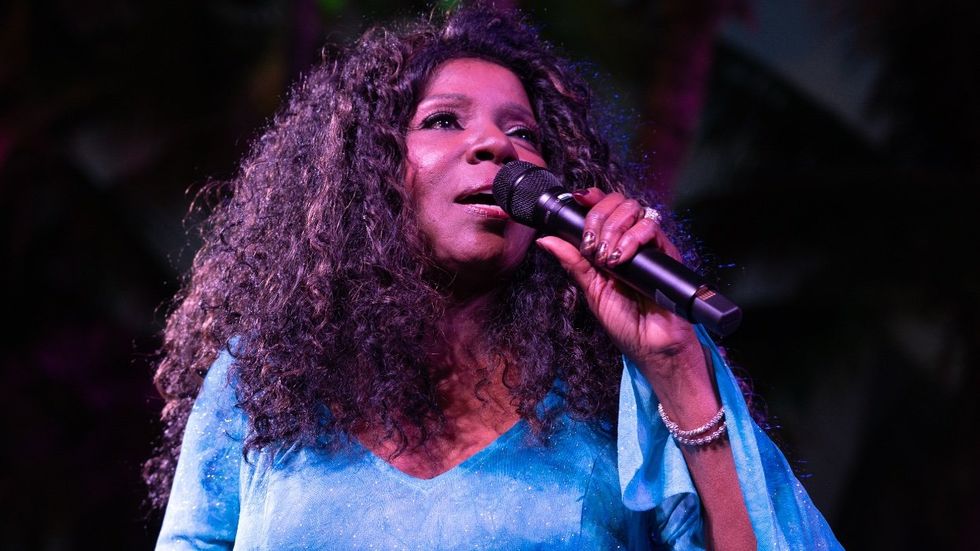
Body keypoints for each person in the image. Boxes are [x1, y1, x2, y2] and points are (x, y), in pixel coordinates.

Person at [148, 5, 841, 550]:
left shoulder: (615, 389)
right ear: (366, 172)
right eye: (443, 120)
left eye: (524, 134)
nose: (496, 144)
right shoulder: (263, 381)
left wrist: (677, 365)